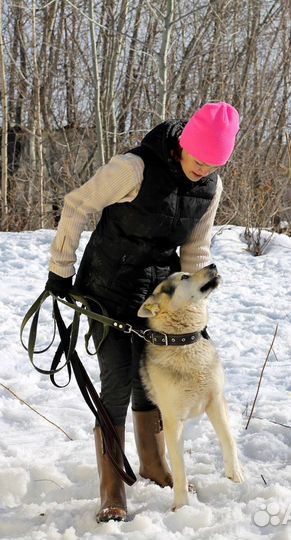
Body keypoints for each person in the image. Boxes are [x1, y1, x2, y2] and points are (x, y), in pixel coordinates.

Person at [45, 102, 240, 522]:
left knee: (151, 378)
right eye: (200, 158)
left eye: (215, 163)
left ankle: (154, 465)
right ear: (183, 144)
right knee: (117, 377)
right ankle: (112, 485)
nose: (204, 169)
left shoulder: (210, 187)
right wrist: (60, 270)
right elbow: (77, 205)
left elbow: (195, 250)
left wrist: (196, 314)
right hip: (107, 289)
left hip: (159, 299)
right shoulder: (132, 168)